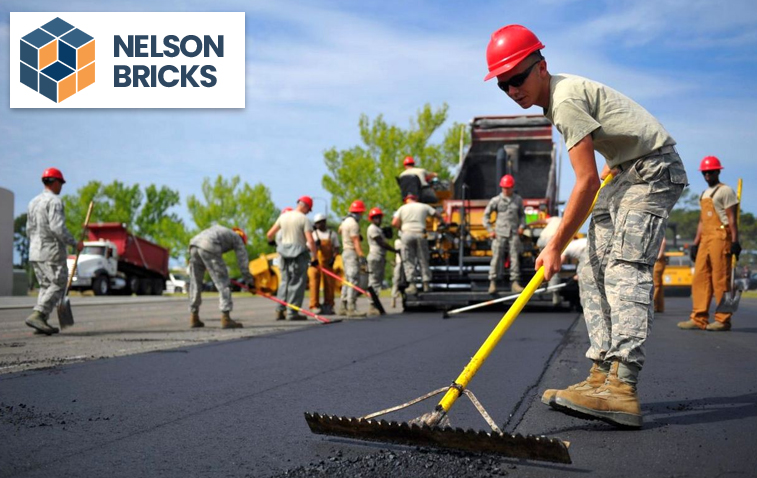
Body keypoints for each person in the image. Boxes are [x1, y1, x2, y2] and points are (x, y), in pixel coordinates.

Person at [485, 24, 687, 427]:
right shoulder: (556, 101)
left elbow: (585, 181)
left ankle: (623, 385)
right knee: (591, 267)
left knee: (624, 267)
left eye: (518, 78)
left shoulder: (564, 100)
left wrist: (555, 243)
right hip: (626, 170)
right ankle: (600, 375)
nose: (513, 90)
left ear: (541, 67)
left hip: (652, 171)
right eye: (503, 85)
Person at [678, 156, 740, 331]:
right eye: (705, 172)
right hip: (705, 238)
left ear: (718, 171)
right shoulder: (704, 194)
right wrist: (695, 244)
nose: (707, 175)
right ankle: (699, 317)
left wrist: (735, 241)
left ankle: (723, 319)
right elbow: (701, 222)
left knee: (721, 279)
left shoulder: (725, 191)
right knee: (700, 278)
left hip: (721, 236)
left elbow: (732, 219)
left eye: (710, 172)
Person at [25, 168, 83, 335]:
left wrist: (35, 244)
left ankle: (41, 322)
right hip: (51, 251)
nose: (61, 187)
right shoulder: (55, 201)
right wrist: (74, 243)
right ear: (55, 182)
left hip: (35, 250)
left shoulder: (33, 202)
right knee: (59, 283)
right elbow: (57, 227)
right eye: (61, 184)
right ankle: (39, 314)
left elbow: (29, 229)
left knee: (45, 285)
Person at [188, 225, 253, 329]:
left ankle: (194, 316)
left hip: (194, 244)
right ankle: (226, 318)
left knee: (195, 283)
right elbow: (243, 262)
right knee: (223, 283)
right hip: (209, 245)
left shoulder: (223, 231)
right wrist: (249, 282)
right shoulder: (237, 238)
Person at [266, 197, 318, 321]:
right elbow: (310, 241)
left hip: (283, 254)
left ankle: (280, 310)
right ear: (305, 206)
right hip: (298, 254)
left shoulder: (284, 216)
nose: (308, 212)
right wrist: (314, 258)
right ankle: (292, 312)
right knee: (296, 283)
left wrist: (272, 243)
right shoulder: (304, 219)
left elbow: (269, 234)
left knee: (284, 281)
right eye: (308, 210)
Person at [483, 174, 525, 294]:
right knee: (496, 258)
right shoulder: (495, 200)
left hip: (513, 233)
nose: (506, 190)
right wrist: (490, 230)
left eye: (509, 187)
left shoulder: (518, 200)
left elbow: (522, 216)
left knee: (514, 258)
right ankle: (492, 282)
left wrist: (522, 226)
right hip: (499, 233)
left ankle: (515, 282)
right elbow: (485, 216)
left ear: (512, 187)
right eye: (504, 188)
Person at [392, 194, 439, 295]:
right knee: (423, 258)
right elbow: (436, 214)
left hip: (407, 234)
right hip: (420, 233)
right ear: (416, 199)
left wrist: (401, 229)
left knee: (408, 259)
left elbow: (394, 222)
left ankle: (412, 284)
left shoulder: (402, 208)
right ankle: (426, 283)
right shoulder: (423, 206)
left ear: (406, 200)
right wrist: (442, 222)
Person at [366, 207, 397, 316]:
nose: (378, 219)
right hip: (375, 256)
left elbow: (387, 238)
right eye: (375, 217)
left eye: (379, 217)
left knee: (377, 281)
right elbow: (381, 243)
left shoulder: (378, 229)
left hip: (380, 257)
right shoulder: (372, 229)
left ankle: (374, 304)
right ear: (371, 219)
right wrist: (394, 250)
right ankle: (372, 305)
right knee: (374, 281)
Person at [308, 213, 340, 315]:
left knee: (329, 284)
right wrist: (315, 246)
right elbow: (308, 248)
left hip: (328, 263)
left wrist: (334, 258)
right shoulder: (313, 234)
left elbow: (336, 248)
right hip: (315, 263)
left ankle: (329, 304)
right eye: (317, 223)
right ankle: (314, 305)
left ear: (324, 222)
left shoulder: (332, 234)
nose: (319, 225)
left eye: (321, 223)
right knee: (314, 284)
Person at [653, 237, 668, 313]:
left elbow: (663, 240)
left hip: (658, 260)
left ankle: (653, 304)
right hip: (659, 260)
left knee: (656, 284)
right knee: (659, 284)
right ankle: (659, 306)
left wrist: (659, 255)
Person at [390, 235, 404, 308]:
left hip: (405, 264)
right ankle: (393, 298)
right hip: (400, 263)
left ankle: (402, 299)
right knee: (396, 281)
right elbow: (400, 252)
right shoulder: (398, 241)